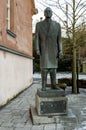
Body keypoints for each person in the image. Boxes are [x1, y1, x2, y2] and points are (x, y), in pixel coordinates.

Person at [35, 7, 62, 91]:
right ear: (44, 13)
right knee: (44, 68)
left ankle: (53, 85)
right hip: (44, 49)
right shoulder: (39, 25)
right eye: (46, 11)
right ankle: (43, 85)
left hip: (54, 50)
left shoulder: (57, 25)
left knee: (53, 68)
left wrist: (61, 50)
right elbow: (36, 38)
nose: (48, 12)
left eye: (49, 11)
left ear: (52, 13)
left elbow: (59, 39)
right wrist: (37, 49)